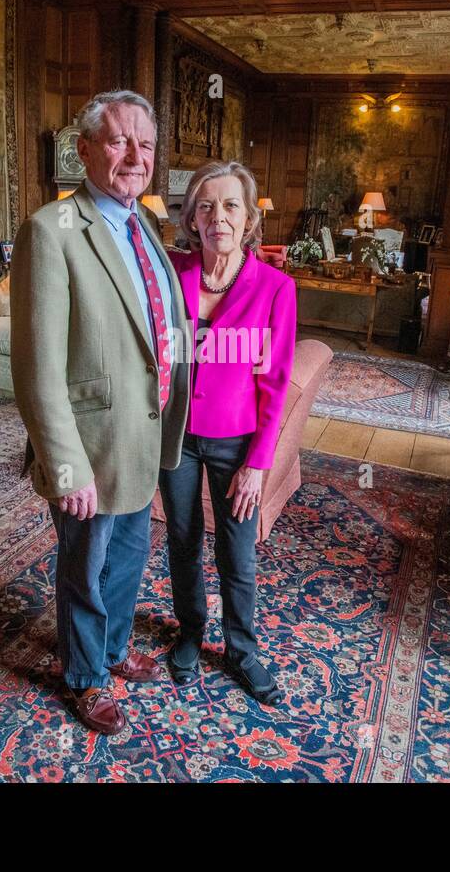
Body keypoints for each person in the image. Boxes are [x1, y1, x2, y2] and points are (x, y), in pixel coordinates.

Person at [10, 90, 191, 735]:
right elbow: (36, 367)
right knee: (86, 568)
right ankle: (85, 676)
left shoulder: (143, 222)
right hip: (89, 444)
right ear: (84, 150)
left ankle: (111, 651)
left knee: (130, 559)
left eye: (144, 144)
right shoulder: (50, 231)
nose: (134, 156)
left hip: (142, 434)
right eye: (119, 141)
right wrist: (66, 466)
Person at [159, 160, 296, 706]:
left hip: (237, 445)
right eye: (207, 206)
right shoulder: (173, 274)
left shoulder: (275, 288)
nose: (219, 216)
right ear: (192, 218)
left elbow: (276, 382)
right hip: (177, 441)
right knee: (183, 541)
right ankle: (190, 632)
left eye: (231, 205)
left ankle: (242, 649)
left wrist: (258, 464)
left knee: (238, 553)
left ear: (248, 218)